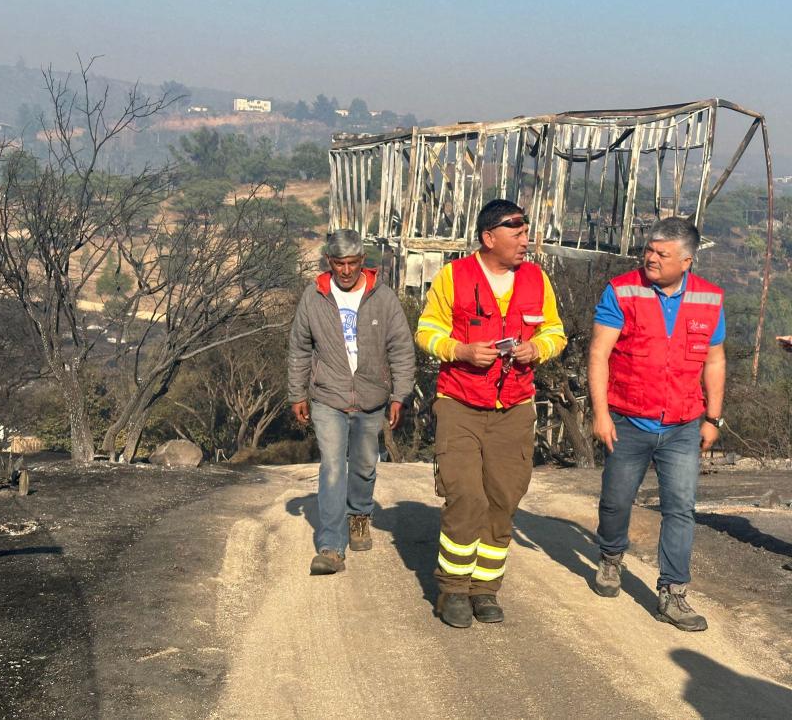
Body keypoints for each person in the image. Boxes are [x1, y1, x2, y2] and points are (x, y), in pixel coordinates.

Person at [415, 199, 566, 627]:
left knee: (503, 499)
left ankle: (485, 589)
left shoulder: (538, 280)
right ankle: (452, 590)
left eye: (525, 232)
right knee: (465, 495)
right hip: (460, 402)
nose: (525, 241)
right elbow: (426, 330)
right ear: (489, 238)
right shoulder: (453, 278)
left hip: (515, 408)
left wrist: (537, 348)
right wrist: (459, 350)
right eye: (516, 233)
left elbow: (555, 332)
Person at [588, 217, 726, 632]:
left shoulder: (710, 299)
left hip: (683, 424)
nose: (650, 257)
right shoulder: (623, 290)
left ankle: (674, 592)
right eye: (648, 249)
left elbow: (714, 360)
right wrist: (599, 414)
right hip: (628, 420)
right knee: (615, 501)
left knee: (680, 507)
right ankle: (611, 556)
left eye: (661, 254)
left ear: (686, 260)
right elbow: (599, 354)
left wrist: (713, 417)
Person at [288, 229, 415, 575]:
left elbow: (401, 349)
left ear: (363, 262)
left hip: (372, 397)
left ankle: (359, 514)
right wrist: (297, 393)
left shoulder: (383, 298)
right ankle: (331, 546)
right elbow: (300, 348)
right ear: (329, 262)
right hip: (328, 396)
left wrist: (400, 395)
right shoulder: (314, 298)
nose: (346, 270)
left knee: (363, 466)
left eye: (352, 263)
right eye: (339, 263)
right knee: (332, 467)